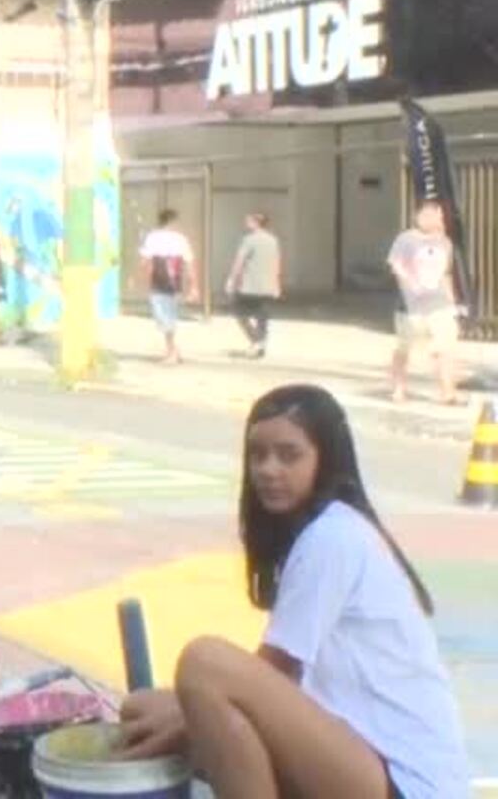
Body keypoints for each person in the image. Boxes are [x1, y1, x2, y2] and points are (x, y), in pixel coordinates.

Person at [118, 385, 470, 798]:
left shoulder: (334, 536)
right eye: (257, 454)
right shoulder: (314, 533)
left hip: (403, 781)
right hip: (356, 752)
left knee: (204, 664)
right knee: (140, 709)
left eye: (289, 455)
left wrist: (179, 726)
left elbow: (274, 671)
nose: (268, 469)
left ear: (325, 460)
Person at [388, 200, 463, 405]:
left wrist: (452, 302)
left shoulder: (444, 242)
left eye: (439, 215)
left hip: (438, 304)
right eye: (431, 214)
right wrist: (410, 287)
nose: (436, 219)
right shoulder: (406, 239)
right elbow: (396, 267)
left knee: (445, 348)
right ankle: (398, 388)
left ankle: (448, 392)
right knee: (404, 348)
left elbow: (445, 273)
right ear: (419, 215)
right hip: (410, 306)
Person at [140, 209, 197, 364]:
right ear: (172, 222)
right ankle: (173, 350)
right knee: (168, 316)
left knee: (164, 317)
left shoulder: (152, 237)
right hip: (174, 282)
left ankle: (172, 352)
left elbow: (145, 261)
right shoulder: (181, 239)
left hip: (157, 281)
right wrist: (194, 286)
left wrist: (140, 279)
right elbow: (189, 263)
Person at [226, 212, 283, 358]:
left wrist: (232, 280)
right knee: (262, 316)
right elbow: (277, 262)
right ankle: (260, 343)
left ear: (256, 223)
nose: (246, 222)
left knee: (239, 312)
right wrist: (276, 283)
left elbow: (239, 261)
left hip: (249, 284)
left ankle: (256, 340)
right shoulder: (273, 240)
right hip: (267, 285)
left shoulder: (249, 240)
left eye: (249, 220)